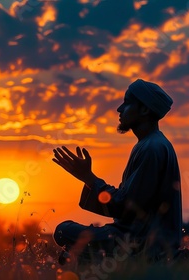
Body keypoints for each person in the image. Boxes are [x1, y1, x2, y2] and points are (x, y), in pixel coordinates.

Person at [52, 79, 182, 264]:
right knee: (71, 239)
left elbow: (127, 207)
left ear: (145, 110)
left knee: (63, 231)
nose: (119, 109)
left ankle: (87, 259)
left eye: (127, 102)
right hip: (135, 238)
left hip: (139, 244)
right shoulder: (150, 144)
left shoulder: (152, 148)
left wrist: (88, 178)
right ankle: (84, 258)